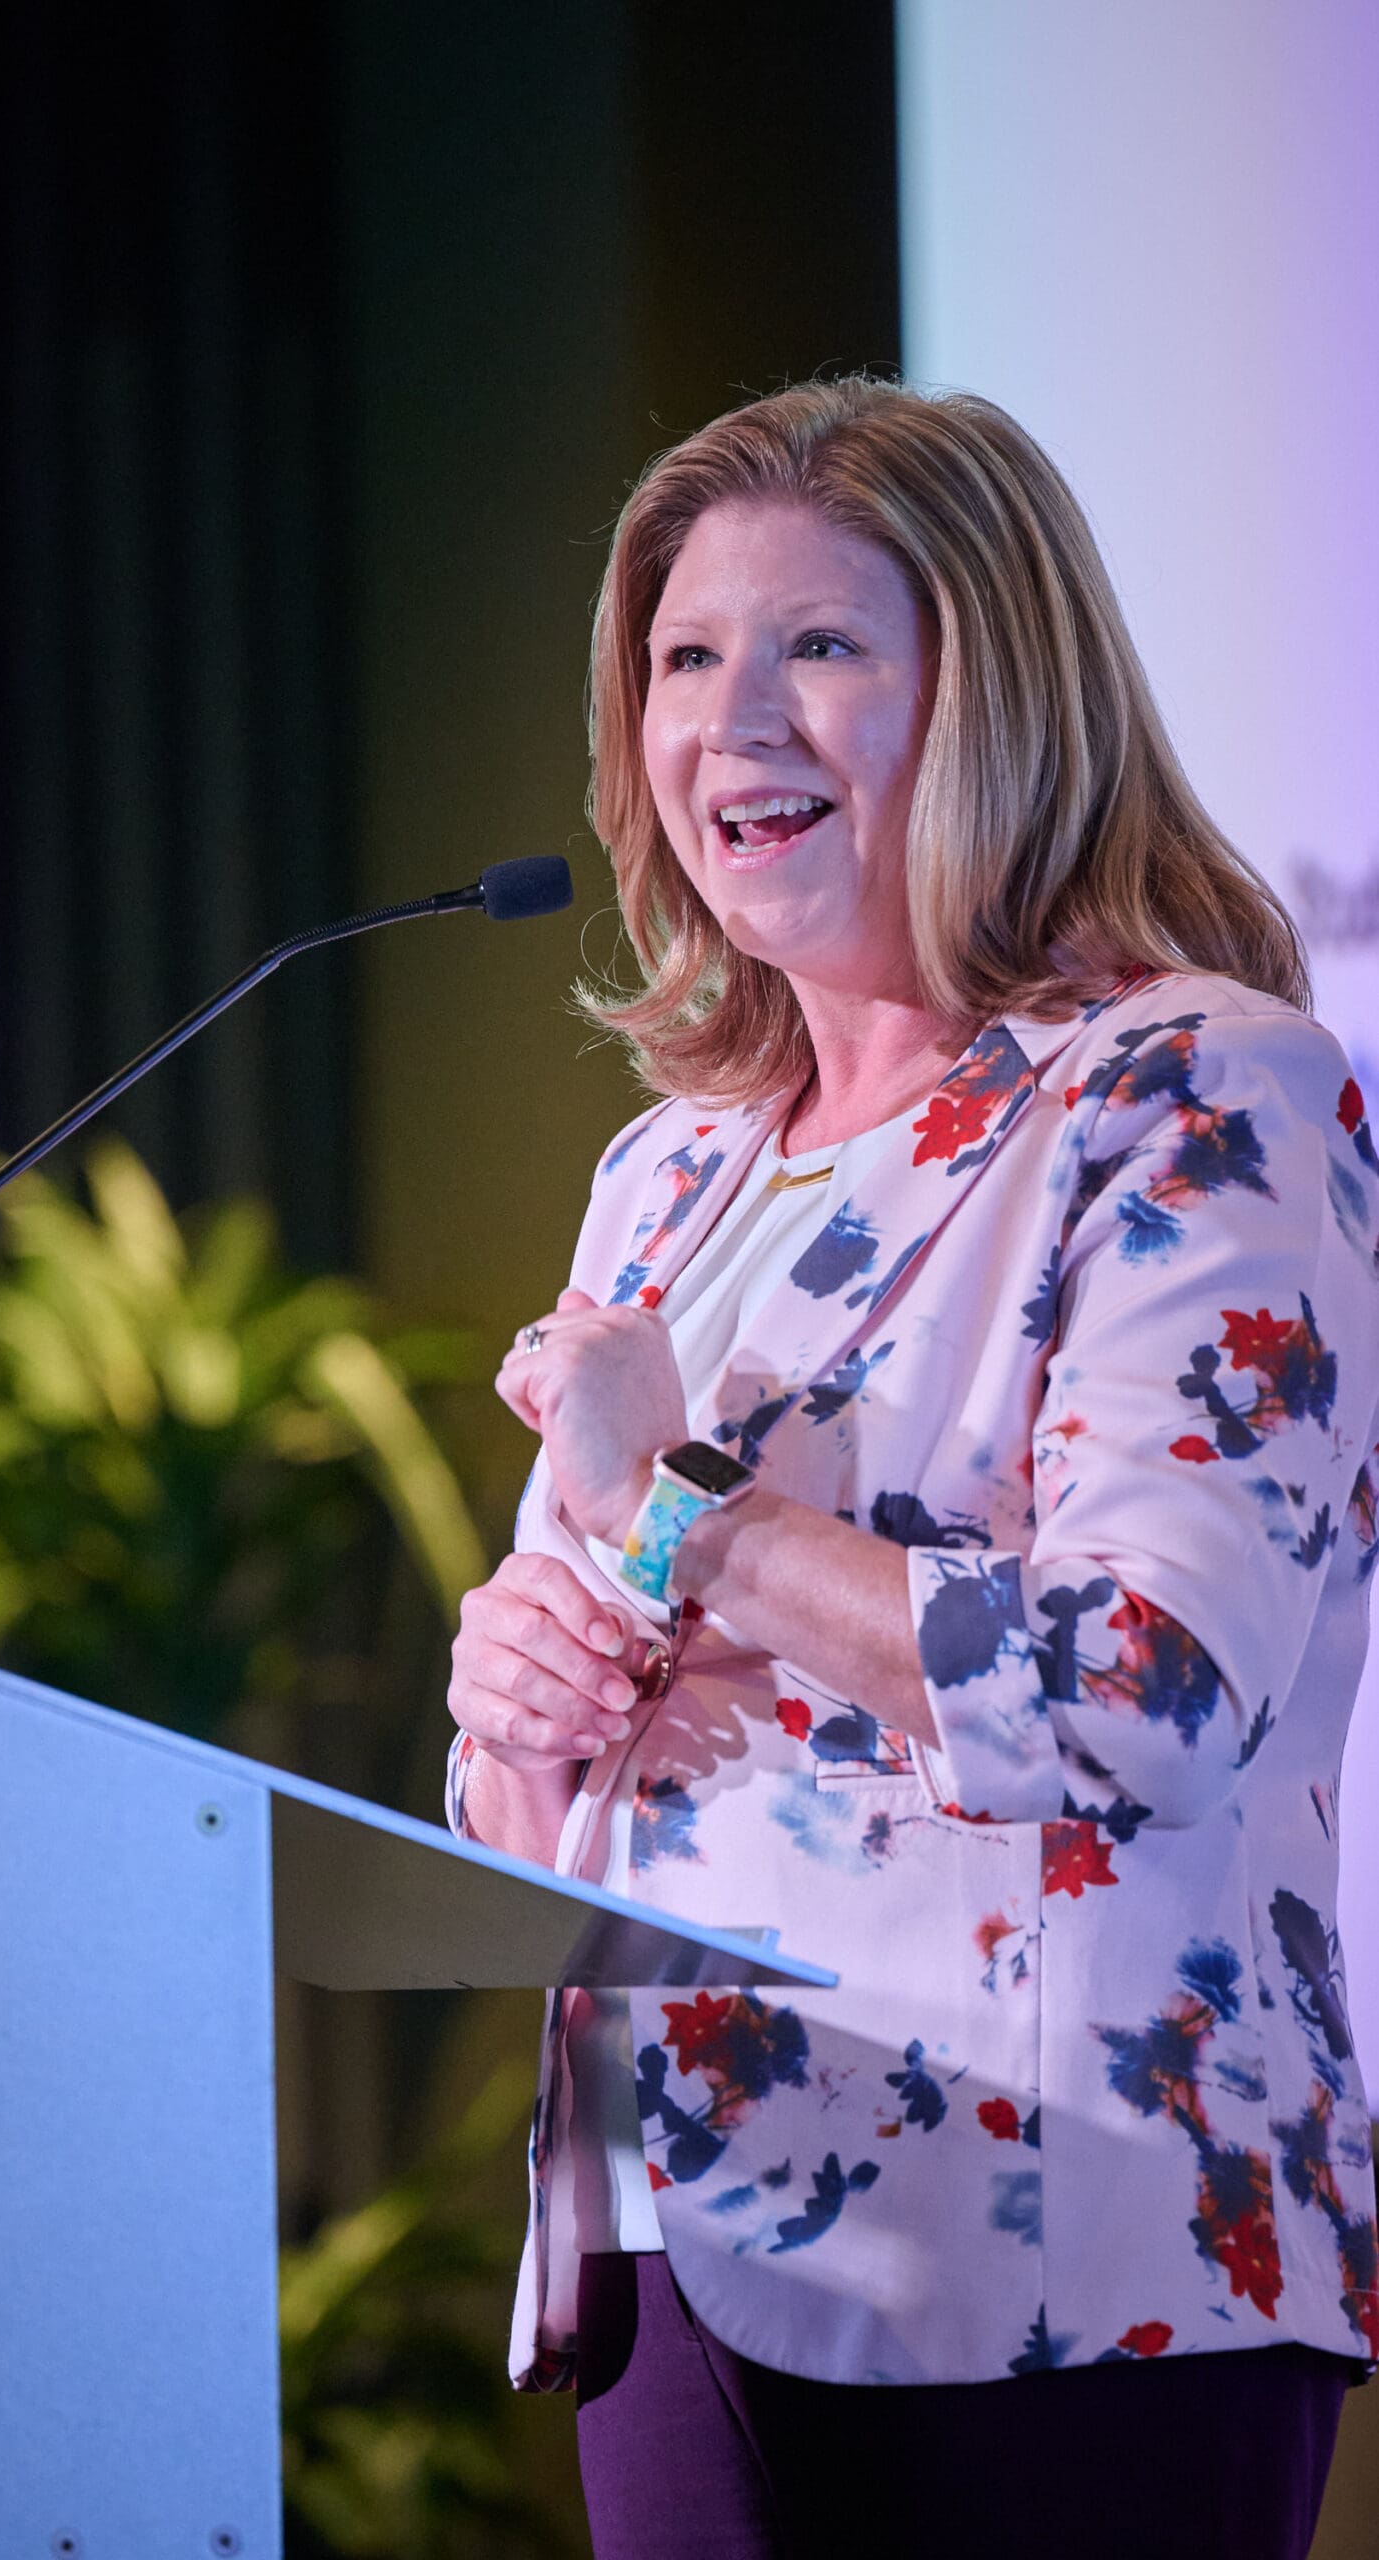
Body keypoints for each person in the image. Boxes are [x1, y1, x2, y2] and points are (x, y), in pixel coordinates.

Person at [443, 376, 1379, 2560]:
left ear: (997, 695)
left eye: (820, 646)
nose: (731, 720)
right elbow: (576, 1788)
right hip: (675, 2218)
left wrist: (685, 1518)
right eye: (686, 657)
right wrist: (517, 1720)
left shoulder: (1191, 1091)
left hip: (1060, 2238)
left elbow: (1146, 1687)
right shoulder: (670, 1171)